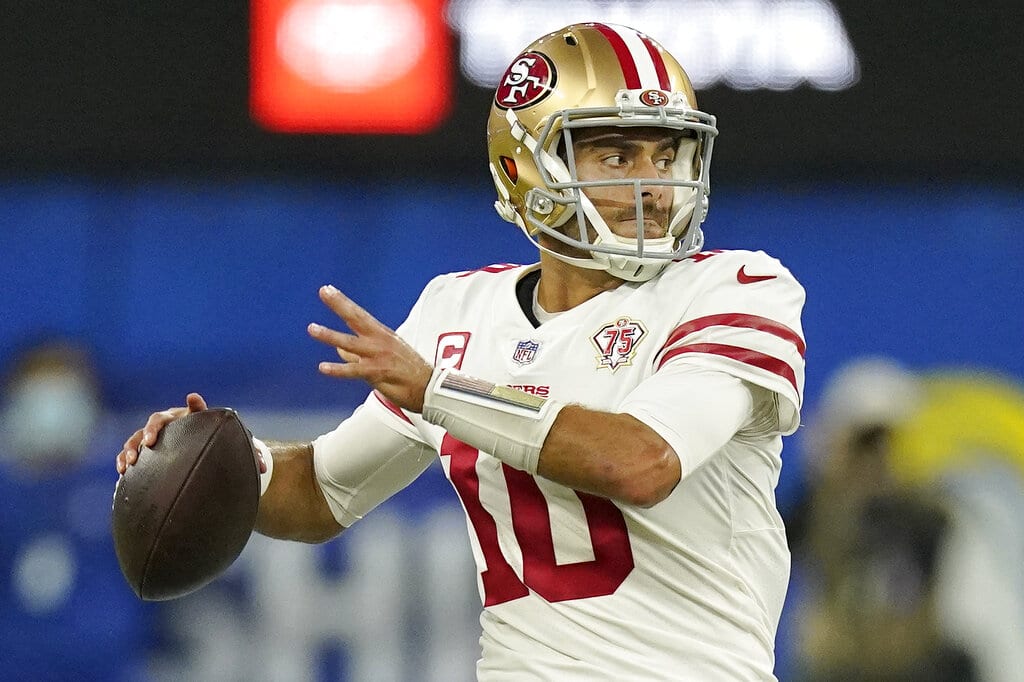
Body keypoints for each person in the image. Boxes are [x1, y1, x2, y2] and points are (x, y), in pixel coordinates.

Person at [116, 22, 806, 680]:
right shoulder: (459, 313)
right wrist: (227, 457)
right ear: (526, 167)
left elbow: (640, 460)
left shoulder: (736, 288)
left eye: (668, 153)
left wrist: (439, 391)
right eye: (618, 154)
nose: (655, 185)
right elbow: (323, 492)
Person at [1, 338, 157, 680]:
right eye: (39, 391)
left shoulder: (128, 479)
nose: (51, 407)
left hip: (108, 669)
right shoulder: (6, 489)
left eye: (63, 391)